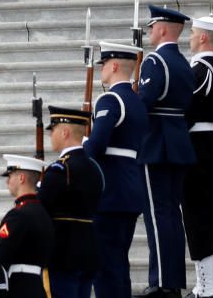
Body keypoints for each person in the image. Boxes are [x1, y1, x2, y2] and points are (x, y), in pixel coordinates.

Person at [135, 5, 196, 298]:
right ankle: (172, 281)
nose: (149, 32)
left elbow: (144, 101)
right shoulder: (184, 63)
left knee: (157, 216)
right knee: (171, 214)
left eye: (151, 27)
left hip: (155, 142)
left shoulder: (155, 62)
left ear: (161, 29)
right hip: (178, 141)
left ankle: (161, 282)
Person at [84, 42, 148, 298]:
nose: (101, 70)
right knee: (119, 262)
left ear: (113, 65)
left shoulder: (111, 100)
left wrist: (81, 146)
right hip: (130, 190)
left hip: (109, 193)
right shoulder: (136, 101)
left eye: (103, 65)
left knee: (104, 265)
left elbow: (97, 145)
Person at [182, 16, 213, 296]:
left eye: (192, 33)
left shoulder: (200, 69)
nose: (189, 38)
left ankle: (207, 286)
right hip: (212, 144)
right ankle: (207, 284)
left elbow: (186, 110)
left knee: (197, 217)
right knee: (208, 214)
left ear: (203, 38)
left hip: (197, 147)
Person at [39, 106, 103, 298]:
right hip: (89, 252)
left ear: (65, 132)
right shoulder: (94, 167)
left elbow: (41, 208)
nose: (50, 135)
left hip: (63, 255)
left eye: (53, 130)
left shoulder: (60, 169)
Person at [0, 154, 54, 298]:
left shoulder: (18, 215)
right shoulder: (43, 213)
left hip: (18, 287)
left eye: (10, 176)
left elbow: (1, 257)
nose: (7, 181)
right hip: (37, 286)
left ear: (21, 178)